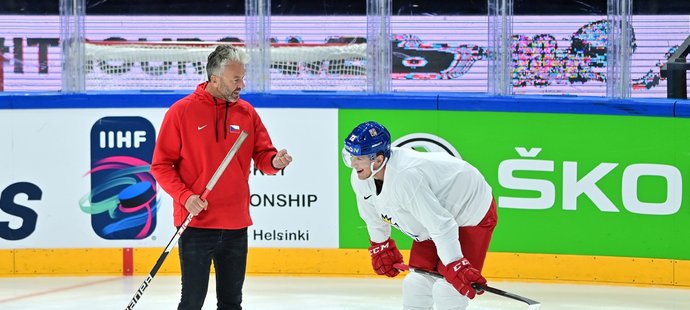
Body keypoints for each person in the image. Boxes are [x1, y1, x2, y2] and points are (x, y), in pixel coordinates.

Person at [151, 44, 293, 310]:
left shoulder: (247, 113)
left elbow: (264, 156)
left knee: (231, 302)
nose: (242, 84)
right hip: (195, 224)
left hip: (235, 225)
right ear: (214, 79)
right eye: (235, 79)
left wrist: (275, 161)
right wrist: (185, 197)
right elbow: (161, 165)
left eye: (242, 77)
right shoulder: (181, 112)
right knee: (192, 302)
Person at [342, 121, 497, 310]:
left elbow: (441, 225)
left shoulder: (405, 177)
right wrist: (380, 245)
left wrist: (455, 263)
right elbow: (372, 216)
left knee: (448, 290)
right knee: (416, 284)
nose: (353, 163)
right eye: (351, 156)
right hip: (435, 212)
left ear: (379, 159)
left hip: (470, 208)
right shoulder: (361, 176)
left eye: (359, 157)